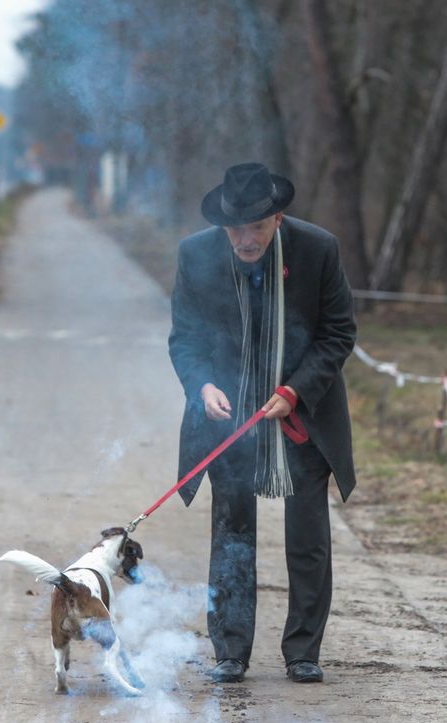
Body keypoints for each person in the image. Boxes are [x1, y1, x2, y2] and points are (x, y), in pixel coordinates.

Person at [168, 162, 357, 684]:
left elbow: (339, 333)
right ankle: (230, 650)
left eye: (256, 227)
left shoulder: (318, 250)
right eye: (236, 228)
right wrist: (202, 386)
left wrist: (295, 390)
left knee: (307, 534)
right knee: (232, 531)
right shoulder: (196, 254)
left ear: (278, 218)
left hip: (301, 407)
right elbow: (185, 338)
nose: (245, 239)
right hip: (228, 411)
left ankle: (303, 651)